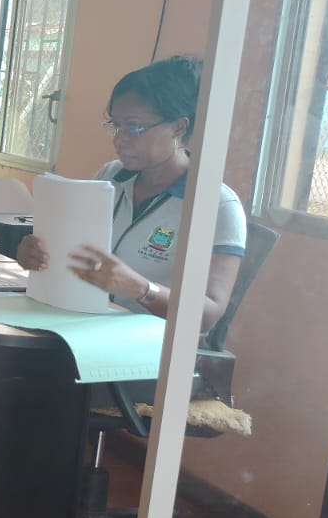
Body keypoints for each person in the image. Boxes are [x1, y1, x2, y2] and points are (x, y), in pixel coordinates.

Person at [15, 56, 245, 332]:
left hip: (151, 342)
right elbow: (79, 254)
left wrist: (141, 289)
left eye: (134, 127)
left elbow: (208, 315)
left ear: (178, 127)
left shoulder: (217, 206)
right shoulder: (111, 176)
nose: (119, 139)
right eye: (116, 126)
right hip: (87, 323)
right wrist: (37, 254)